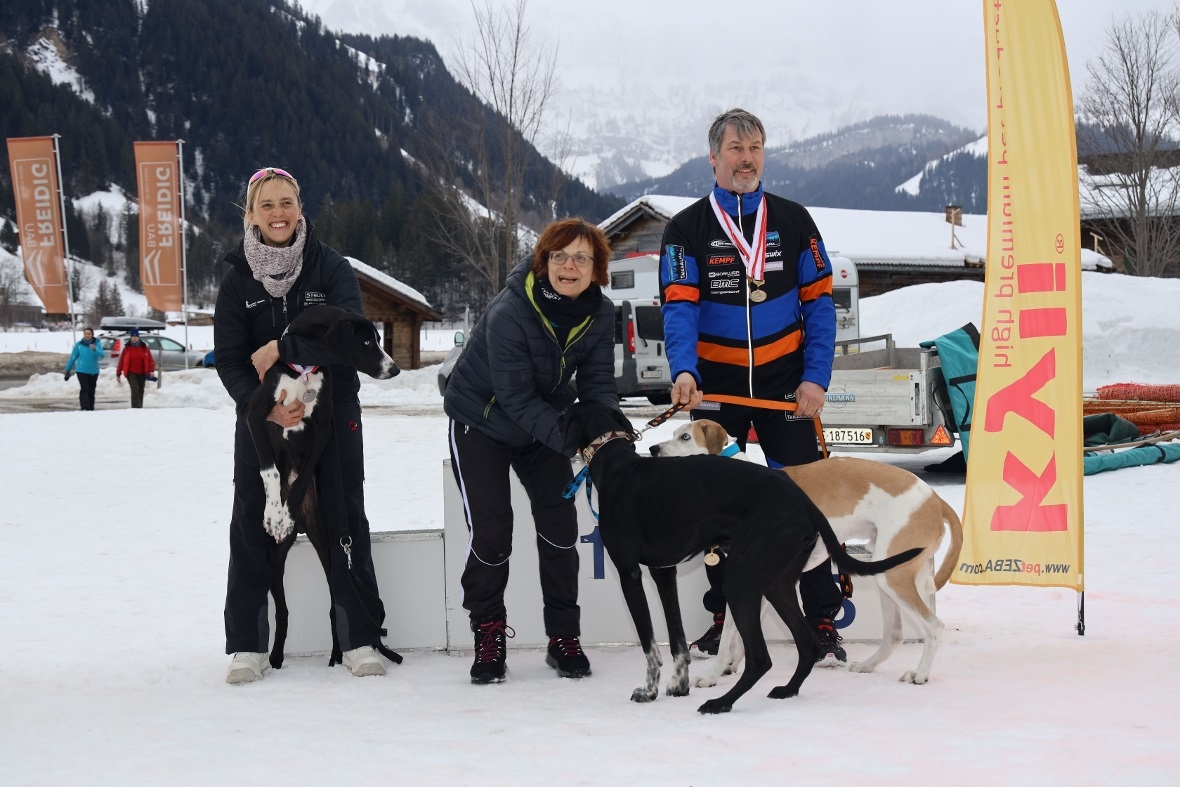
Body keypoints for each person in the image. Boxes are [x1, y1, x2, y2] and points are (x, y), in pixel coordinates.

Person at [659, 108, 847, 663]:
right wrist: (685, 371)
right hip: (718, 392)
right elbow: (678, 310)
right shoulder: (686, 228)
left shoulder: (793, 220)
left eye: (757, 147)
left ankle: (820, 620)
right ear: (713, 157)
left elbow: (820, 307)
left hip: (786, 389)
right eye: (737, 148)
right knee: (717, 510)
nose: (748, 158)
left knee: (807, 501)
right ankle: (724, 619)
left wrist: (815, 378)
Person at [213, 166, 390, 684]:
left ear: (300, 206)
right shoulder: (236, 280)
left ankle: (359, 637)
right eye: (266, 204)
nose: (278, 213)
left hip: (333, 418)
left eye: (286, 202)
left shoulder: (330, 268)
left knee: (342, 516)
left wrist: (283, 349)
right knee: (251, 522)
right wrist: (263, 408)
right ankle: (248, 646)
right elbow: (227, 358)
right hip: (262, 425)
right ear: (251, 213)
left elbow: (354, 336)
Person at [443, 217, 618, 684]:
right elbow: (516, 397)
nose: (569, 265)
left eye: (582, 257)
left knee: (561, 527)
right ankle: (488, 631)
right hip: (480, 421)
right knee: (493, 530)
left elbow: (599, 388)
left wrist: (609, 439)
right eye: (559, 256)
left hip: (544, 426)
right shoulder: (511, 312)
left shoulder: (601, 315)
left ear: (597, 268)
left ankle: (563, 637)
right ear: (543, 262)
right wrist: (573, 440)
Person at [64, 327, 104, 410]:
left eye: (89, 334)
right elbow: (73, 357)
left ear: (92, 334)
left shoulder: (97, 343)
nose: (87, 335)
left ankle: (91, 407)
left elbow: (102, 355)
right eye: (86, 334)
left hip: (94, 371)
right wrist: (67, 370)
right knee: (84, 388)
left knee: (91, 390)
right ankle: (84, 406)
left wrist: (95, 349)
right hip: (81, 370)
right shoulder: (79, 345)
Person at [115, 328, 156, 408]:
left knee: (141, 390)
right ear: (130, 337)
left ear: (138, 337)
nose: (134, 338)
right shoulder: (127, 348)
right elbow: (121, 361)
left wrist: (151, 370)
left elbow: (150, 360)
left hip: (142, 373)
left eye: (136, 336)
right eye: (133, 336)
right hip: (131, 373)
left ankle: (140, 408)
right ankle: (135, 409)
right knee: (135, 390)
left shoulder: (144, 348)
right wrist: (118, 373)